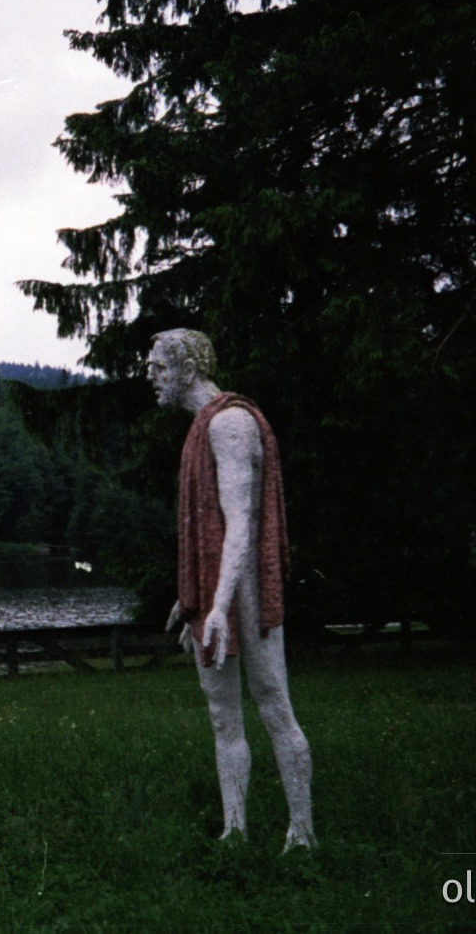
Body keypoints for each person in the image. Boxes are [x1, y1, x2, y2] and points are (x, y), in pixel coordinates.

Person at [147, 329, 316, 851]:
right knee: (223, 716)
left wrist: (218, 606)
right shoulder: (205, 427)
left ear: (188, 369)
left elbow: (240, 521)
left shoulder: (230, 423)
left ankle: (303, 833)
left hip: (242, 591)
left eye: (158, 367)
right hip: (215, 588)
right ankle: (234, 829)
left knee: (273, 704)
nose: (150, 377)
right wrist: (191, 596)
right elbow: (211, 524)